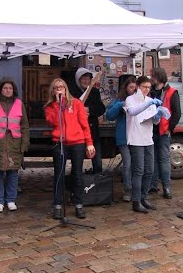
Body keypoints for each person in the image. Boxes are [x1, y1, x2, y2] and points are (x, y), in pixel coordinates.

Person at [44, 78, 95, 219]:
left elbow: (84, 124)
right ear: (53, 91)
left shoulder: (76, 103)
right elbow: (53, 122)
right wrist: (58, 105)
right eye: (56, 88)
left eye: (61, 87)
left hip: (77, 142)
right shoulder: (50, 107)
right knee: (59, 174)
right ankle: (58, 205)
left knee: (77, 174)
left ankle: (79, 204)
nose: (59, 89)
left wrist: (89, 143)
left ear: (66, 89)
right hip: (59, 142)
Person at [0, 78, 30, 213]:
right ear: (0, 89)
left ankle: (11, 200)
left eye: (10, 88)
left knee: (13, 174)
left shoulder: (19, 104)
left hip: (14, 145)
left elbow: (25, 126)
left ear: (13, 90)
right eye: (5, 88)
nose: (8, 90)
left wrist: (24, 144)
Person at [124, 76, 163, 213]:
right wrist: (149, 104)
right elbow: (133, 112)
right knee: (138, 170)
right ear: (138, 87)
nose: (147, 90)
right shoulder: (130, 99)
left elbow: (154, 121)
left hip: (148, 139)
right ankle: (136, 200)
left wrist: (158, 115)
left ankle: (144, 197)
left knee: (150, 170)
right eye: (144, 87)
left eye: (148, 87)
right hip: (135, 139)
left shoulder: (149, 100)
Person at [149, 67, 181, 199]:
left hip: (163, 130)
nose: (151, 78)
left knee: (163, 159)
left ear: (159, 77)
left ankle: (166, 187)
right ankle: (153, 185)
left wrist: (169, 129)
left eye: (153, 76)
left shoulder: (172, 92)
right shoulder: (150, 92)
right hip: (150, 130)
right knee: (153, 159)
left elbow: (177, 112)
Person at [105, 74, 137, 202]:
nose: (133, 90)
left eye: (135, 88)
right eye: (130, 87)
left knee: (137, 164)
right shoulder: (119, 100)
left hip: (136, 137)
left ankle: (137, 188)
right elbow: (109, 115)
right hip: (123, 137)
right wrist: (120, 105)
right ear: (126, 88)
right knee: (127, 163)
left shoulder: (139, 99)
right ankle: (127, 189)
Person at [70, 68, 105, 174]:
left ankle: (98, 183)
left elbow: (100, 108)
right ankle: (76, 184)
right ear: (78, 79)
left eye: (88, 79)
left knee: (97, 160)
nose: (86, 81)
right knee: (76, 162)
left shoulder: (94, 92)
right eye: (83, 79)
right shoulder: (72, 92)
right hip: (77, 132)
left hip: (92, 130)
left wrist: (89, 109)